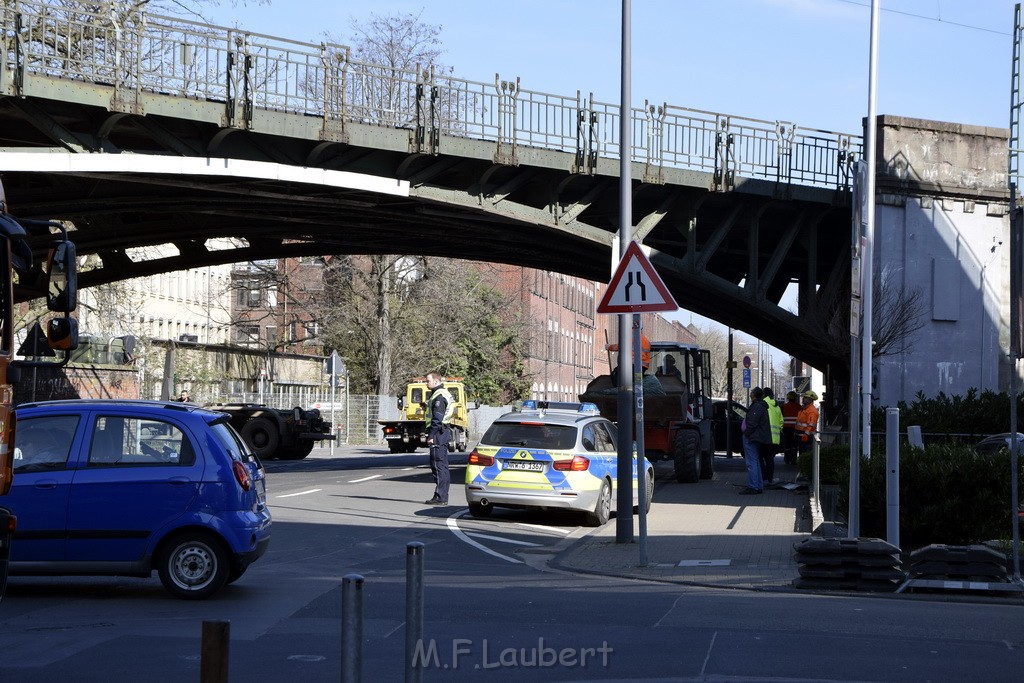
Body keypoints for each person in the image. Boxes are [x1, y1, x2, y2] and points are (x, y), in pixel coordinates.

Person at [423, 371, 455, 506]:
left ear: (436, 381)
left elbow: (437, 418)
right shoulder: (441, 393)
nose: (426, 383)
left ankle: (441, 497)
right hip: (442, 432)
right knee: (442, 465)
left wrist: (431, 435)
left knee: (438, 465)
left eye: (428, 380)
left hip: (438, 433)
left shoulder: (439, 396)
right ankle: (442, 495)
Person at [740, 387, 770, 495]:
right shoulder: (761, 406)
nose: (750, 393)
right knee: (756, 461)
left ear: (754, 395)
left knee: (751, 462)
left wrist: (746, 434)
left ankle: (753, 486)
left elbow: (752, 423)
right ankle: (758, 486)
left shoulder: (756, 407)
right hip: (757, 437)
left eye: (751, 392)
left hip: (752, 437)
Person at [761, 388, 783, 484]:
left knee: (759, 458)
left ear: (764, 394)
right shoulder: (776, 406)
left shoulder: (763, 404)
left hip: (764, 437)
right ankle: (769, 479)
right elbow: (781, 421)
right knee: (770, 459)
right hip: (775, 438)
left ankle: (763, 478)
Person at [796, 390, 820, 454]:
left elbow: (811, 424)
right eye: (804, 397)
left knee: (806, 453)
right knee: (802, 452)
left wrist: (806, 434)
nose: (803, 399)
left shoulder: (812, 411)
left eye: (806, 397)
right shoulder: (804, 409)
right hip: (802, 435)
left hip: (807, 436)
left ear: (810, 400)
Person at [781, 390, 801, 465]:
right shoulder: (799, 407)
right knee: (794, 444)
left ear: (788, 398)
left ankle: (786, 459)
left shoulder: (784, 407)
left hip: (786, 428)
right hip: (795, 428)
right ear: (795, 398)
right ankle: (793, 459)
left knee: (787, 444)